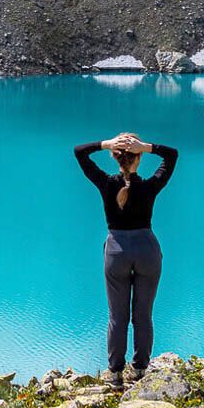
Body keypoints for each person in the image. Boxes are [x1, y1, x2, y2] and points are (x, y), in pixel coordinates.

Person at [73, 132, 179, 388]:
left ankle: (116, 374)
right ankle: (141, 369)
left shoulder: (106, 183)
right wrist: (147, 147)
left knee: (117, 317)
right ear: (138, 159)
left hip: (116, 252)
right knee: (143, 315)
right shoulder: (149, 186)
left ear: (115, 157)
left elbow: (79, 151)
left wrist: (105, 143)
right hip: (147, 250)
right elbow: (172, 155)